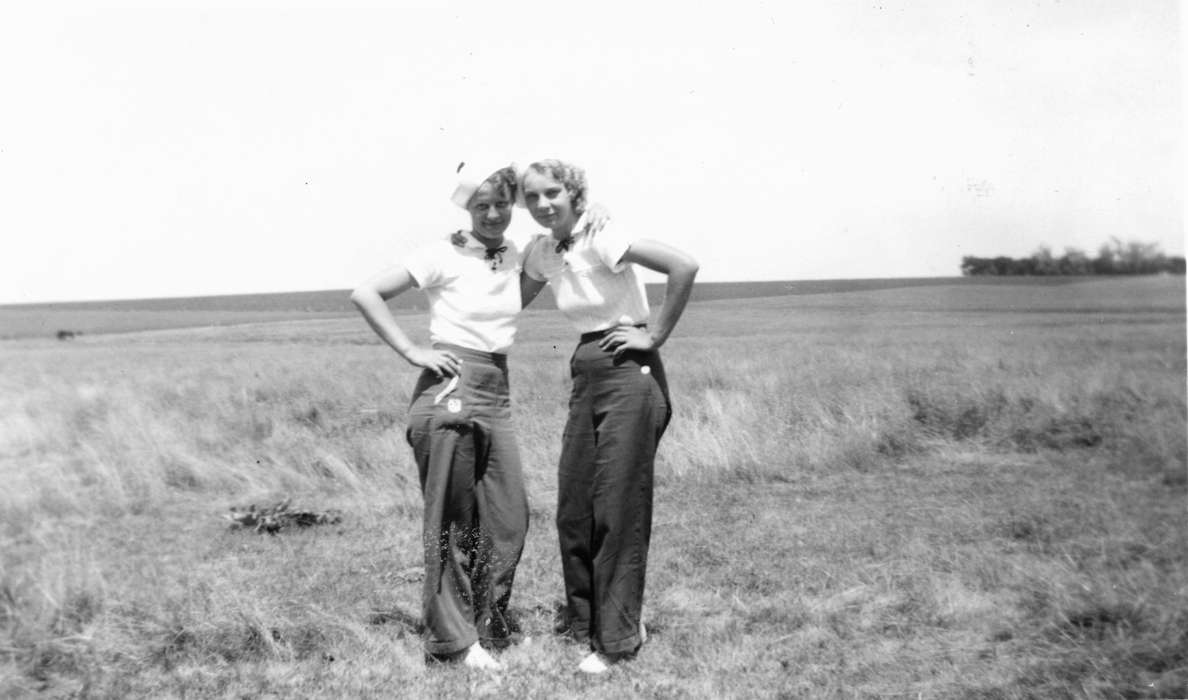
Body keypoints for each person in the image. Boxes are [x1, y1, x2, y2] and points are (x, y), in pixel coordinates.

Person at [518, 159, 699, 674]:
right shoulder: (544, 250)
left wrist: (654, 335)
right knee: (575, 505)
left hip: (629, 369)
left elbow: (683, 265)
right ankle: (585, 623)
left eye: (552, 192)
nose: (543, 203)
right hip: (587, 368)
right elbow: (509, 299)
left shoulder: (602, 232)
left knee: (617, 506)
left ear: (574, 192)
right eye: (531, 197)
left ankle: (618, 637)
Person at [350, 160, 531, 671]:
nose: (493, 213)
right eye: (482, 205)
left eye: (501, 203)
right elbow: (365, 293)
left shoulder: (512, 255)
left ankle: (487, 621)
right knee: (451, 523)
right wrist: (413, 351)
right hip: (448, 387)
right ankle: (453, 641)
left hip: (496, 389)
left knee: (508, 517)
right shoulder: (440, 253)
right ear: (467, 209)